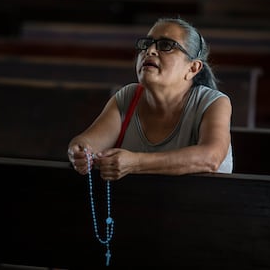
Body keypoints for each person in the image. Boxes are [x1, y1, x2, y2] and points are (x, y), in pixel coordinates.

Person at [68, 17, 233, 180]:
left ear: (192, 68)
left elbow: (211, 158)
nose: (150, 50)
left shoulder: (214, 102)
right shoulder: (128, 96)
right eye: (146, 44)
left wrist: (136, 163)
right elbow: (88, 143)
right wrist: (79, 152)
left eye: (166, 45)